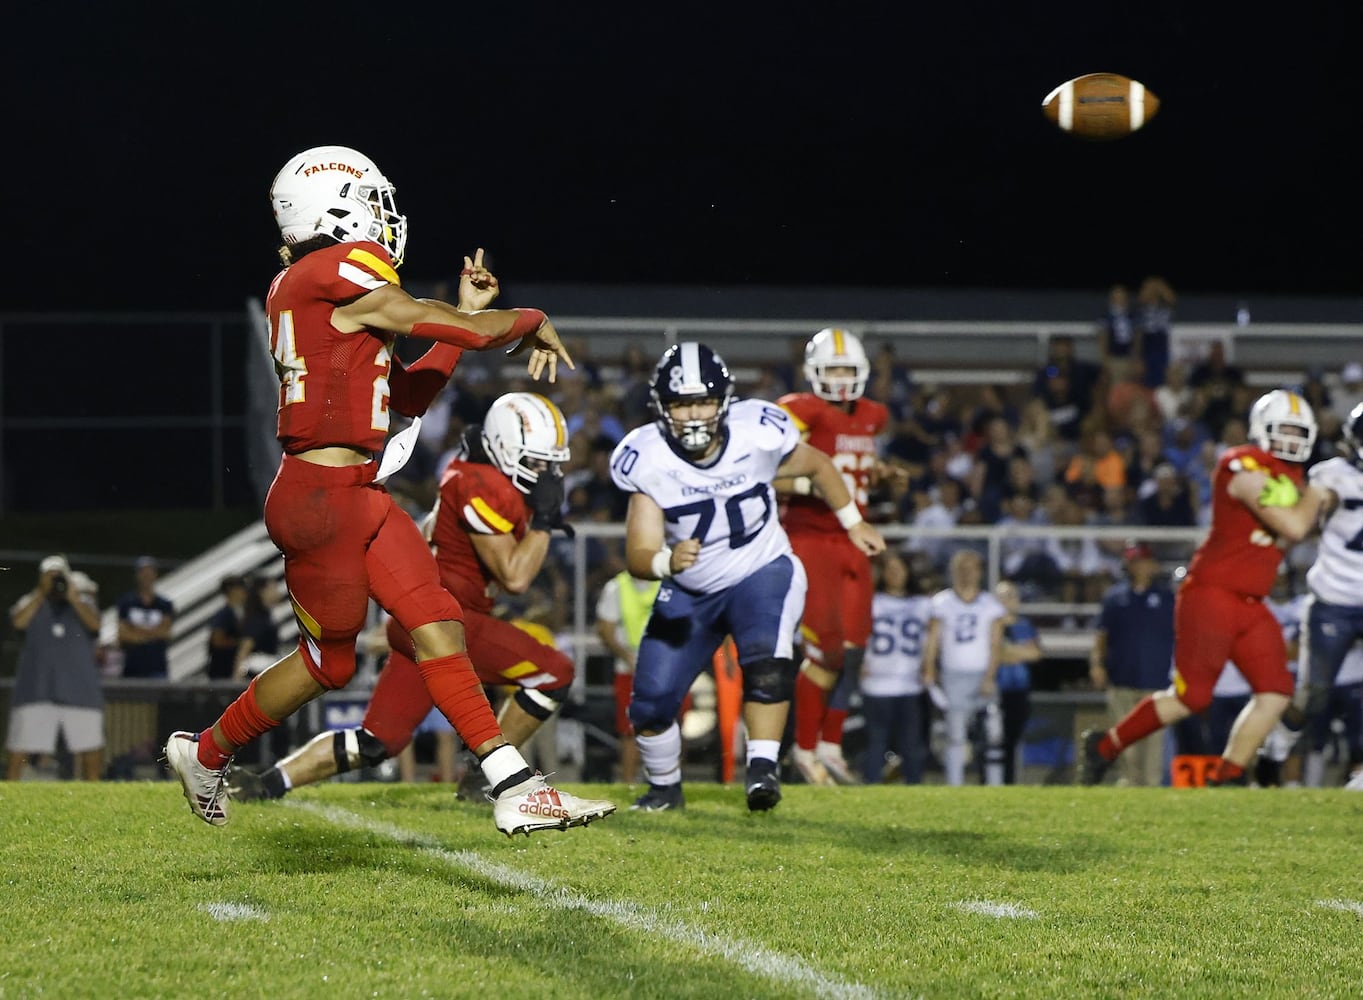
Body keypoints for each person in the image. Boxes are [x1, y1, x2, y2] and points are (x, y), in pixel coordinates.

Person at [164, 144, 613, 839]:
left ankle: (511, 782)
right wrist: (523, 320)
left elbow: (406, 391)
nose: (384, 218)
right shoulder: (337, 268)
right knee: (328, 662)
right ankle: (207, 750)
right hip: (322, 496)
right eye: (373, 201)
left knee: (435, 621)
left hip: (349, 491)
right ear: (333, 205)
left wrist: (465, 322)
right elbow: (433, 324)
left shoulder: (316, 286)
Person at [225, 393, 583, 807]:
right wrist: (544, 522)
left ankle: (268, 784)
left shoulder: (472, 474)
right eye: (537, 462)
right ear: (503, 447)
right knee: (553, 672)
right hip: (449, 621)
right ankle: (487, 777)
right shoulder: (479, 484)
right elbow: (515, 576)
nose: (547, 474)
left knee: (378, 741)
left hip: (422, 623)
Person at [611, 342, 885, 812]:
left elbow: (819, 464)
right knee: (651, 704)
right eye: (681, 403)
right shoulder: (647, 456)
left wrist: (852, 520)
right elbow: (638, 551)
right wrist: (664, 562)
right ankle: (663, 789)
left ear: (724, 401)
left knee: (768, 662)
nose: (694, 415)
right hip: (692, 587)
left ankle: (762, 772)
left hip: (762, 566)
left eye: (702, 401)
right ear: (662, 407)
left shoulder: (756, 429)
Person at [1080, 389, 1329, 787]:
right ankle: (1106, 747)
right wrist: (1317, 494)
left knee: (1277, 690)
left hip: (1251, 601)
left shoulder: (1292, 476)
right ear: (1261, 430)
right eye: (1284, 430)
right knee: (1192, 697)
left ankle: (1228, 776)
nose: (1292, 441)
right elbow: (1295, 525)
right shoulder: (1240, 464)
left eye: (1300, 433)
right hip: (1212, 593)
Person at [776, 328, 891, 786]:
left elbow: (854, 465)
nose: (841, 379)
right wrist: (812, 485)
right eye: (833, 369)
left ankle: (829, 743)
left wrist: (878, 475)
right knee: (824, 651)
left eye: (848, 369)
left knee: (854, 647)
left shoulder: (872, 415)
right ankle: (804, 750)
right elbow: (766, 471)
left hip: (854, 538)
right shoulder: (801, 410)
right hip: (810, 537)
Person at [1262, 402, 1363, 781]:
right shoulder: (1331, 475)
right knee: (1313, 694)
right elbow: (1318, 504)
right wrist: (1321, 503)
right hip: (1334, 601)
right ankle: (1275, 749)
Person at [5, 556, 105, 781]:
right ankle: (7, 799)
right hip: (36, 690)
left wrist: (73, 596)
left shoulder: (82, 603)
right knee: (18, 748)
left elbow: (96, 624)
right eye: (50, 577)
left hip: (80, 691)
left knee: (91, 750)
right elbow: (18, 622)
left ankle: (95, 797)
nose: (55, 581)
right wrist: (41, 592)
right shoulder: (31, 601)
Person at [1088, 543, 1177, 786]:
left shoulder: (1168, 597)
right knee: (1124, 739)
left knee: (1154, 741)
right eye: (1133, 562)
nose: (1137, 566)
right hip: (1121, 679)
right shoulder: (1115, 597)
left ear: (1152, 565)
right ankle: (1129, 783)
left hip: (1156, 682)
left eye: (1141, 561)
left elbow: (1182, 634)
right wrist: (1097, 664)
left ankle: (1151, 784)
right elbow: (1101, 634)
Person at [920, 550, 1008, 787]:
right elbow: (933, 639)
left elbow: (996, 644)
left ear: (979, 571)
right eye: (961, 568)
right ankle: (955, 785)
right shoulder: (942, 602)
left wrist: (990, 675)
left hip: (981, 673)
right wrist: (929, 668)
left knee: (993, 733)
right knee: (955, 735)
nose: (966, 573)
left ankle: (995, 786)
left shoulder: (989, 603)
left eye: (971, 568)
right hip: (954, 674)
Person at [860, 552, 931, 784]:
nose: (895, 574)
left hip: (910, 683)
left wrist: (929, 666)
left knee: (911, 744)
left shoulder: (923, 604)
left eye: (899, 569)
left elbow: (935, 638)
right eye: (890, 569)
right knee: (876, 742)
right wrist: (859, 661)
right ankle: (871, 788)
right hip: (876, 682)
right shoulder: (870, 601)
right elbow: (857, 634)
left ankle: (914, 788)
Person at [595, 569, 662, 784]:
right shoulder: (618, 586)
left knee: (667, 724)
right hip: (628, 669)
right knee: (630, 729)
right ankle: (629, 783)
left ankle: (665, 781)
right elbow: (605, 629)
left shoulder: (665, 582)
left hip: (662, 667)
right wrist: (627, 656)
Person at [993, 580, 1041, 785]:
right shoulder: (990, 625)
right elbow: (994, 654)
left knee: (1013, 741)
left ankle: (1009, 782)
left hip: (1018, 690)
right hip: (994, 690)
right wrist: (1019, 653)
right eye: (1002, 596)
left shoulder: (1024, 625)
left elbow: (1035, 653)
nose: (1007, 601)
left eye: (1011, 595)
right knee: (993, 742)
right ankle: (990, 781)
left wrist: (1008, 652)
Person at [116, 556, 174, 679]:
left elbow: (166, 633)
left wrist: (136, 631)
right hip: (133, 666)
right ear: (137, 575)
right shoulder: (126, 602)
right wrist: (153, 633)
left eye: (150, 572)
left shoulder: (164, 604)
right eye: (143, 572)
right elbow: (123, 635)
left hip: (157, 666)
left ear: (155, 574)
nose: (146, 576)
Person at [205, 575, 248, 680]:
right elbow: (217, 640)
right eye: (241, 588)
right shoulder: (224, 614)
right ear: (232, 590)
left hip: (230, 668)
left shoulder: (239, 612)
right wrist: (239, 643)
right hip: (222, 669)